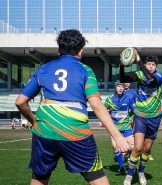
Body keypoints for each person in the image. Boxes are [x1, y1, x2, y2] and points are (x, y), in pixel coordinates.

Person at [15, 29, 131, 185]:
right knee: (97, 179)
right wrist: (118, 137)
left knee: (39, 179)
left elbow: (20, 102)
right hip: (75, 132)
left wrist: (33, 120)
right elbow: (96, 105)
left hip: (44, 131)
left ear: (59, 50)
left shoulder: (43, 69)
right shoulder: (85, 71)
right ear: (80, 51)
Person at [119, 50, 162, 185]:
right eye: (148, 64)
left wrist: (138, 60)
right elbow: (123, 79)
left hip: (155, 117)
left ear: (156, 67)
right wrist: (122, 64)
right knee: (137, 148)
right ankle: (129, 175)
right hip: (140, 115)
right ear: (145, 64)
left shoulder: (160, 76)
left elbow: (151, 79)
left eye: (153, 64)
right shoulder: (139, 74)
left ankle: (141, 172)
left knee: (147, 149)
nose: (150, 66)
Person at [104, 81, 135, 175]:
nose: (120, 88)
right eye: (118, 86)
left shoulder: (128, 98)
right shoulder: (110, 99)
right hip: (115, 127)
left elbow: (135, 111)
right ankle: (121, 166)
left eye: (122, 86)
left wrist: (131, 118)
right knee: (115, 147)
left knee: (133, 147)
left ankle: (131, 162)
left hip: (126, 126)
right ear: (115, 88)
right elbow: (104, 111)